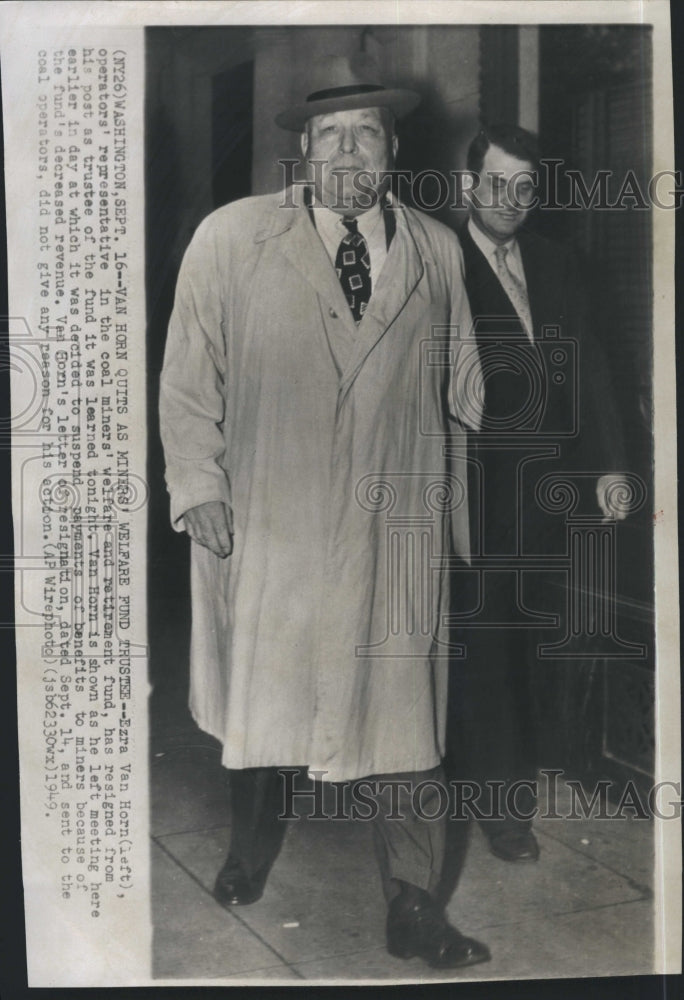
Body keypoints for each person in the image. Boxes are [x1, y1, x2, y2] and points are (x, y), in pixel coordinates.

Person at [159, 53, 490, 969]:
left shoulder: (436, 249)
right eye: (331, 134)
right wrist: (199, 486)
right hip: (274, 515)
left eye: (367, 134)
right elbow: (187, 379)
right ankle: (248, 850)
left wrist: (459, 525)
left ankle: (415, 906)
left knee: (404, 723)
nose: (349, 151)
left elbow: (465, 392)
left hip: (394, 526)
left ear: (393, 149)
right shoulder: (232, 238)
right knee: (266, 702)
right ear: (304, 150)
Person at [445, 123, 627, 862]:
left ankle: (519, 771)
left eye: (525, 186)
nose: (511, 199)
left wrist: (610, 465)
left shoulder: (556, 261)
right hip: (475, 492)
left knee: (532, 645)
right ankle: (501, 811)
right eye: (497, 183)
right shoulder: (439, 260)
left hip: (551, 495)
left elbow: (591, 369)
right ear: (469, 185)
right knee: (486, 648)